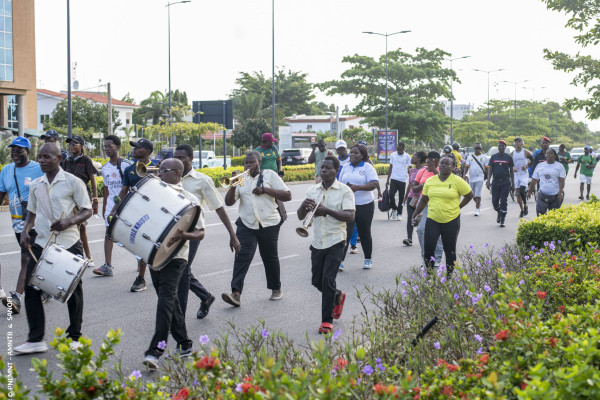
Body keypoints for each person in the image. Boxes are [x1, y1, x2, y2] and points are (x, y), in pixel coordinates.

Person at [14, 143, 92, 354]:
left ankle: (74, 336)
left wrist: (70, 221)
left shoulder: (73, 182)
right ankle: (36, 339)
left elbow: (87, 210)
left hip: (68, 242)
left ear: (59, 158)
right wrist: (25, 231)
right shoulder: (36, 184)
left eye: (47, 157)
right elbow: (31, 213)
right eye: (40, 157)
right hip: (41, 242)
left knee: (73, 289)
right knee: (31, 287)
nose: (42, 160)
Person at [142, 158, 203, 370]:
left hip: (176, 257)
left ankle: (155, 351)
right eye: (159, 170)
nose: (159, 173)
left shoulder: (189, 199)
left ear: (177, 173)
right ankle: (185, 344)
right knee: (169, 299)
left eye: (164, 170)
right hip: (154, 254)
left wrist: (184, 235)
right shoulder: (155, 193)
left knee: (165, 299)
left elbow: (200, 232)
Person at [174, 144, 241, 319]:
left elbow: (219, 208)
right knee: (179, 270)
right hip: (172, 231)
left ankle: (179, 319)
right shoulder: (169, 176)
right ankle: (205, 297)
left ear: (191, 159)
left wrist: (232, 235)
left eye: (182, 157)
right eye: (176, 157)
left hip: (193, 232)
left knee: (182, 271)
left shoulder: (202, 180)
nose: (178, 160)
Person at [221, 151, 291, 307]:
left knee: (269, 257)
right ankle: (236, 294)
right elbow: (229, 202)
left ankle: (276, 288)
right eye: (246, 162)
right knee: (241, 257)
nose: (248, 165)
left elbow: (288, 195)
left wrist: (265, 190)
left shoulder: (270, 175)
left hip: (269, 223)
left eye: (252, 162)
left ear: (259, 162)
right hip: (246, 224)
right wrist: (233, 184)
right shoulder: (242, 180)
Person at [297, 156, 355, 334]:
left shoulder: (344, 190)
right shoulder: (312, 190)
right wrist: (304, 205)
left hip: (336, 240)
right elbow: (300, 216)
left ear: (336, 171)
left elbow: (350, 216)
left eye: (327, 168)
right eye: (322, 167)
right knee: (316, 281)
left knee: (328, 280)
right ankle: (337, 295)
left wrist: (327, 211)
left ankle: (326, 321)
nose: (323, 170)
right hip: (317, 242)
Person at [0, 137, 43, 314]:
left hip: (36, 222)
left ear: (28, 152)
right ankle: (41, 287)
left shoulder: (39, 168)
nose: (15, 153)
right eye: (13, 150)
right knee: (34, 259)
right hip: (17, 224)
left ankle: (16, 297)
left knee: (26, 257)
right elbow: (1, 194)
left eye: (19, 150)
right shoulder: (6, 170)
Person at [412, 155, 473, 274]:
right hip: (432, 219)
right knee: (429, 248)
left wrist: (458, 207)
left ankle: (449, 276)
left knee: (450, 250)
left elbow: (469, 195)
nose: (443, 165)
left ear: (453, 167)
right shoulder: (430, 181)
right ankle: (429, 275)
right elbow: (423, 200)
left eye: (447, 163)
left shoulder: (458, 181)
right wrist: (415, 214)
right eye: (441, 163)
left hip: (451, 220)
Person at [114, 138, 157, 292]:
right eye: (134, 147)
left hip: (156, 212)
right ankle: (141, 278)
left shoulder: (157, 166)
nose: (134, 150)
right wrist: (114, 210)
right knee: (141, 244)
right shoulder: (129, 169)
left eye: (138, 148)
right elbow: (123, 191)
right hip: (138, 212)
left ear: (147, 151)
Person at [93, 135, 131, 276]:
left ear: (118, 147)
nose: (107, 149)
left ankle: (141, 262)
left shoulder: (126, 165)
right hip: (111, 206)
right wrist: (105, 208)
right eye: (105, 146)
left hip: (126, 205)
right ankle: (107, 265)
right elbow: (106, 188)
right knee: (108, 233)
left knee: (133, 235)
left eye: (110, 146)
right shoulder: (105, 168)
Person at [339, 144, 379, 270]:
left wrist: (357, 188)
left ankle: (368, 258)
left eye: (355, 153)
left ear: (362, 155)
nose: (352, 154)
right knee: (345, 233)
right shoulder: (346, 167)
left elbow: (374, 184)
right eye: (351, 152)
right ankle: (340, 260)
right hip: (348, 205)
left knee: (364, 232)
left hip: (365, 205)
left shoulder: (367, 167)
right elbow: (340, 184)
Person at [60, 135, 98, 267]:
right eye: (70, 144)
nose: (71, 146)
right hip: (69, 198)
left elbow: (92, 179)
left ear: (81, 146)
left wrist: (95, 198)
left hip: (82, 197)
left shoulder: (86, 160)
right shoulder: (66, 161)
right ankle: (76, 256)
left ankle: (89, 257)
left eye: (74, 143)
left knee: (81, 227)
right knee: (72, 228)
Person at [413, 151, 444, 266]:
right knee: (421, 230)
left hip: (437, 203)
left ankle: (437, 258)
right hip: (424, 202)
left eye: (436, 161)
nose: (432, 162)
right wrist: (423, 185)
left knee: (437, 232)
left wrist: (434, 169)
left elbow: (442, 181)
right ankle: (425, 257)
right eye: (430, 160)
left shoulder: (441, 170)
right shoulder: (421, 171)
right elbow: (414, 188)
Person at [527, 148, 565, 216]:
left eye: (551, 153)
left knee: (554, 217)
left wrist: (560, 192)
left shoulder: (559, 166)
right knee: (540, 216)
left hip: (555, 196)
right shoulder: (540, 165)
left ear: (555, 156)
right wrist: (529, 191)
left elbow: (561, 181)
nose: (548, 155)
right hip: (542, 195)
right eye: (547, 153)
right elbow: (534, 179)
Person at [486, 140, 514, 227]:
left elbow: (512, 171)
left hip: (505, 182)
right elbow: (490, 169)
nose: (501, 147)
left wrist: (513, 184)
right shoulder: (493, 157)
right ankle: (499, 212)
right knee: (494, 202)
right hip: (495, 182)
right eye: (499, 146)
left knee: (503, 201)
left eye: (502, 146)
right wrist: (488, 180)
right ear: (498, 147)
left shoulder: (508, 157)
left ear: (505, 147)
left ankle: (502, 219)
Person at [402, 151, 426, 246]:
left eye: (414, 157)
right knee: (410, 217)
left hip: (422, 198)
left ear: (419, 159)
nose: (412, 158)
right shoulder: (411, 170)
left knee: (421, 217)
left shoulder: (425, 170)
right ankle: (409, 238)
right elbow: (410, 184)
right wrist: (405, 197)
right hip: (411, 197)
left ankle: (423, 236)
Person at [386, 142, 411, 220]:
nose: (398, 151)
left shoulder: (407, 156)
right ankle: (394, 209)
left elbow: (410, 168)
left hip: (402, 179)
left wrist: (411, 179)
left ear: (403, 148)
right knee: (391, 195)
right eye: (397, 149)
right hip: (393, 178)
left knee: (401, 198)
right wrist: (388, 179)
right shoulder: (393, 155)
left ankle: (399, 213)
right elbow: (390, 167)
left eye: (400, 149)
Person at [463, 142, 488, 216]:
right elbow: (466, 167)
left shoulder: (484, 157)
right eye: (476, 148)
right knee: (472, 194)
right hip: (472, 178)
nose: (478, 149)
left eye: (479, 148)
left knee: (477, 193)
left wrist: (488, 178)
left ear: (481, 149)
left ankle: (477, 210)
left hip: (480, 178)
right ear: (474, 149)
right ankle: (478, 203)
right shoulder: (470, 157)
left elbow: (487, 168)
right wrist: (464, 175)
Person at [511, 137, 533, 218]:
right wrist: (512, 168)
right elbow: (509, 163)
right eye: (516, 142)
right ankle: (522, 209)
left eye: (519, 142)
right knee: (518, 194)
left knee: (522, 190)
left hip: (524, 174)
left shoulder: (525, 152)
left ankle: (525, 204)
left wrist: (526, 166)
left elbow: (533, 160)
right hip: (516, 174)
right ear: (514, 144)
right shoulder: (512, 153)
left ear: (522, 143)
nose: (517, 143)